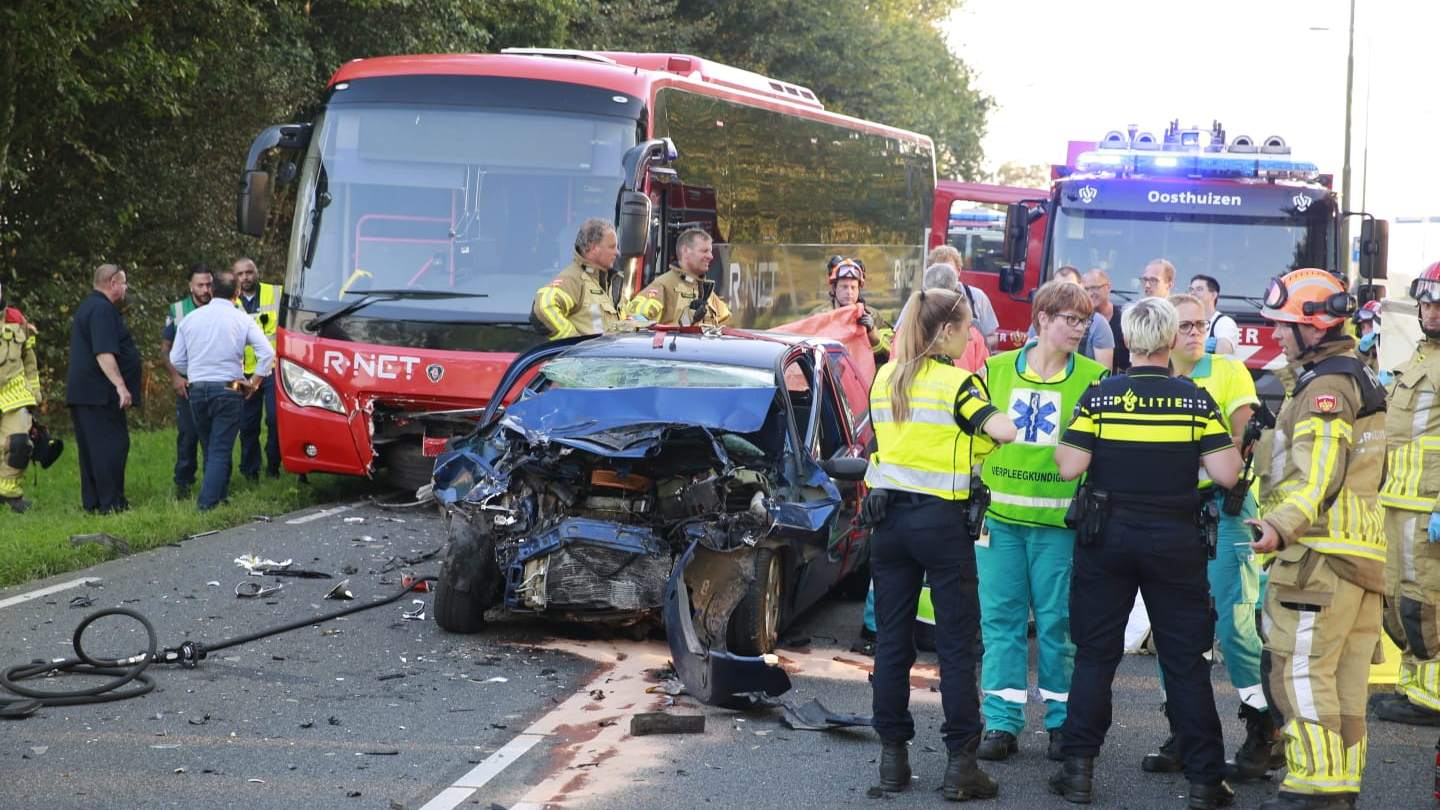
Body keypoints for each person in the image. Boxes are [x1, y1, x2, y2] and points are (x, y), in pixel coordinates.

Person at [1048, 296, 1242, 809]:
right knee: (1185, 662)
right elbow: (1227, 473)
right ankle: (1204, 780)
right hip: (1175, 539)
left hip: (1106, 537)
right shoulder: (1196, 398)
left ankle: (1078, 772)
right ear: (1172, 339)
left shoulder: (1101, 395)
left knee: (1095, 654)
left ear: (1129, 340)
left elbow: (1068, 466)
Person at [864, 287, 1016, 800]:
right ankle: (961, 767)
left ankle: (892, 761)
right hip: (941, 525)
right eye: (968, 325)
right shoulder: (958, 383)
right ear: (946, 332)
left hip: (889, 526)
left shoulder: (886, 376)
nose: (972, 333)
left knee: (891, 644)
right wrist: (984, 435)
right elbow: (1007, 430)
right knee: (955, 648)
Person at [1248, 268, 1387, 810]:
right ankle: (1340, 783)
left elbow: (1320, 474)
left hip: (1318, 556)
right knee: (1346, 680)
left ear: (1316, 325)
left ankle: (1315, 787)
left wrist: (1278, 526)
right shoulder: (1359, 374)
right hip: (1359, 555)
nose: (1277, 334)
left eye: (1285, 325)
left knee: (1298, 671)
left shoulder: (1325, 387)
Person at [1138, 293, 1281, 781]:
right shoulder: (1155, 378)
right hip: (1175, 510)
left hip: (1225, 508)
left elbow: (1241, 448)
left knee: (1234, 626)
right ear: (1165, 336)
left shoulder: (1227, 372)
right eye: (1186, 326)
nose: (1197, 333)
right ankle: (1183, 730)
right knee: (1173, 627)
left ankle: (1264, 727)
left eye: (1201, 324)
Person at [974, 280, 1107, 763]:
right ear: (1043, 319)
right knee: (1001, 624)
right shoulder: (995, 369)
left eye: (1085, 320)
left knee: (1058, 626)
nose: (1080, 328)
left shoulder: (1093, 378)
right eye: (1071, 319)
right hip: (1000, 522)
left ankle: (1060, 724)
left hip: (1058, 527)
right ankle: (1003, 723)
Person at [1373, 262, 1440, 727]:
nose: (1432, 310)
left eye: (1439, 303)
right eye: (1427, 301)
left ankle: (1431, 698)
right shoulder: (1422, 353)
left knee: (1424, 603)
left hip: (1428, 506)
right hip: (1398, 501)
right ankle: (1413, 688)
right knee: (1397, 601)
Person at [170, 269, 275, 512]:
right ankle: (206, 505)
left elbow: (176, 359)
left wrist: (195, 372)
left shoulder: (191, 319)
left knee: (210, 446)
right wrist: (255, 382)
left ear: (212, 291)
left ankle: (220, 496)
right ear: (237, 293)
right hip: (229, 389)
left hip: (197, 389)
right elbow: (267, 352)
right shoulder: (241, 319)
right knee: (220, 448)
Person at [66, 264, 141, 514]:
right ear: (112, 284)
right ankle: (112, 504)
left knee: (93, 449)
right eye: (123, 282)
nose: (125, 287)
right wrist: (121, 386)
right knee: (112, 446)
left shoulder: (88, 306)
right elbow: (103, 351)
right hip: (99, 394)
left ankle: (95, 502)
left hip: (84, 393)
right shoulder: (102, 310)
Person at [162, 264, 213, 499]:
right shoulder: (178, 310)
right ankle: (183, 484)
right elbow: (166, 349)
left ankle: (214, 483)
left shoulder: (221, 307)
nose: (205, 289)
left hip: (214, 382)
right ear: (190, 286)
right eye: (200, 285)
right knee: (188, 435)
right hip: (188, 384)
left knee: (213, 437)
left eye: (209, 284)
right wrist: (175, 378)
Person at [532, 219, 623, 339]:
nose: (617, 253)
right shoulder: (573, 279)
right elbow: (543, 308)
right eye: (612, 247)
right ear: (594, 248)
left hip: (609, 356)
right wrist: (573, 342)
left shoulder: (612, 281)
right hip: (587, 357)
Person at [233, 257, 282, 482]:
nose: (245, 278)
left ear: (257, 272)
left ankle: (274, 466)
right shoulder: (230, 303)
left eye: (249, 272)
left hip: (273, 370)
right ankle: (250, 472)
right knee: (247, 424)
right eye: (240, 274)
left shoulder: (277, 294)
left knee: (274, 420)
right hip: (244, 373)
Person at [625, 228, 730, 326]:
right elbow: (634, 326)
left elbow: (728, 327)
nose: (710, 256)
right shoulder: (663, 286)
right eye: (704, 251)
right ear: (685, 251)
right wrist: (687, 319)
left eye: (710, 251)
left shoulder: (707, 292)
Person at [0, 280, 42, 513]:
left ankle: (10, 496)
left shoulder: (17, 321)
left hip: (14, 393)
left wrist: (35, 392)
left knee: (18, 444)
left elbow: (29, 359)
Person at [1024, 266, 1114, 368]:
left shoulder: (1098, 324)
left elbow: (1103, 376)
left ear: (1081, 287)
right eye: (1057, 287)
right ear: (1043, 319)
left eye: (1083, 321)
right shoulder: (1040, 322)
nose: (1080, 328)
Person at [926, 245, 1003, 349]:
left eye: (949, 271)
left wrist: (973, 346)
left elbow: (993, 337)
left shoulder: (977, 297)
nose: (944, 276)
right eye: (939, 271)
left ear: (959, 271)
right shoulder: (921, 300)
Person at [1083, 268, 1129, 373]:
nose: (1090, 293)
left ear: (1108, 287)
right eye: (1086, 289)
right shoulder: (1079, 322)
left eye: (1095, 288)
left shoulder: (1125, 319)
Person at [1188, 274, 1241, 357]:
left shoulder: (1224, 322)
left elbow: (1223, 353)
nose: (1193, 293)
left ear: (1213, 295)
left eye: (1199, 289)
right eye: (1191, 289)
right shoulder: (1185, 321)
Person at [1353, 300, 1382, 375]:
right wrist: (1362, 352)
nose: (1366, 331)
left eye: (1371, 326)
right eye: (1363, 327)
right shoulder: (1358, 350)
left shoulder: (1394, 352)